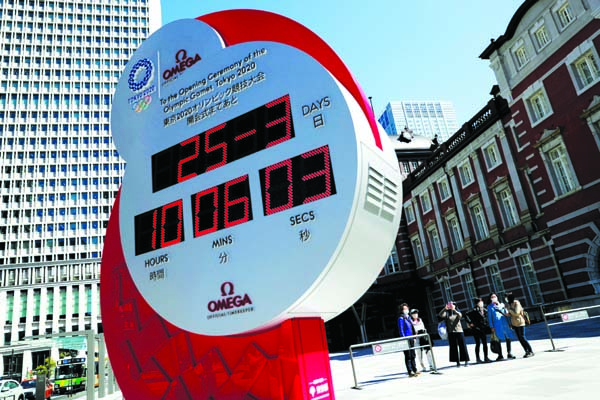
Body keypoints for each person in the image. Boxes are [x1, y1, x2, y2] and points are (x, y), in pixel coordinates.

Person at [439, 301, 470, 367]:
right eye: (450, 305)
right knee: (454, 347)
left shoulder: (457, 312)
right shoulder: (447, 313)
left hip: (459, 331)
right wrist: (445, 309)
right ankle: (457, 362)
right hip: (451, 332)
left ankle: (466, 360)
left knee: (462, 346)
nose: (451, 306)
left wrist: (454, 309)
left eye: (452, 305)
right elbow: (440, 315)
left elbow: (460, 315)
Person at [487, 292, 515, 360]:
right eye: (492, 297)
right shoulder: (490, 307)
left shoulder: (502, 305)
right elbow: (489, 318)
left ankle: (509, 352)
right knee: (498, 340)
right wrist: (491, 326)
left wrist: (509, 323)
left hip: (505, 323)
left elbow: (506, 314)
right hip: (497, 325)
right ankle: (500, 354)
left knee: (508, 338)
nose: (494, 298)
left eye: (494, 296)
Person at [465, 297, 493, 363]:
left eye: (481, 301)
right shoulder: (474, 310)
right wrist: (470, 323)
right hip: (476, 329)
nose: (481, 302)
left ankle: (486, 357)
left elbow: (486, 316)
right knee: (478, 344)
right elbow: (466, 314)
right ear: (477, 303)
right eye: (480, 301)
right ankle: (478, 358)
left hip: (483, 328)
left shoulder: (484, 310)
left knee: (485, 343)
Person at [398, 303, 420, 377]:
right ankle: (410, 371)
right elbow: (401, 330)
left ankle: (415, 369)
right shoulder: (401, 318)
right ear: (402, 310)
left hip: (411, 338)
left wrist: (414, 337)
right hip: (406, 339)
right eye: (404, 309)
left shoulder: (409, 317)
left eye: (407, 308)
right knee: (408, 355)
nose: (406, 310)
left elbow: (412, 328)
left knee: (413, 354)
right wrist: (404, 339)